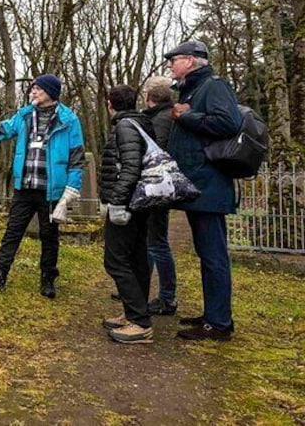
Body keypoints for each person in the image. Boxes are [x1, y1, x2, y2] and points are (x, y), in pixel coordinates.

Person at [0, 74, 84, 299]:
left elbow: (76, 157)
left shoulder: (68, 120)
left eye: (38, 89)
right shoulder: (25, 116)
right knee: (12, 233)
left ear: (50, 93)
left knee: (49, 236)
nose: (33, 92)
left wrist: (70, 192)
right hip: (24, 188)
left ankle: (48, 280)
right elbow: (1, 130)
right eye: (32, 88)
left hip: (51, 191)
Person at [165, 40, 241, 341]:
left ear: (192, 60)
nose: (170, 65)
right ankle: (213, 315)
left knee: (214, 255)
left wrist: (186, 116)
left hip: (210, 184)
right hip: (201, 186)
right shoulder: (194, 90)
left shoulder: (214, 86)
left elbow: (228, 122)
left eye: (174, 60)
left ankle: (219, 323)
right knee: (207, 253)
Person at [99, 85, 156, 344]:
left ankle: (140, 323)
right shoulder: (142, 122)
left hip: (128, 204)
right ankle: (134, 313)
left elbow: (131, 167)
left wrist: (117, 202)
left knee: (115, 260)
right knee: (135, 259)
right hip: (140, 202)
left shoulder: (125, 127)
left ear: (111, 104)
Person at [142, 76, 178, 316]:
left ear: (150, 97)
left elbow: (157, 151)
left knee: (157, 243)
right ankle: (140, 288)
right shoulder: (164, 116)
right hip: (156, 184)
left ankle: (167, 298)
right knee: (150, 241)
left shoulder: (162, 120)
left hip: (157, 184)